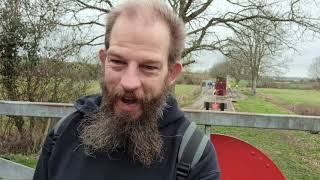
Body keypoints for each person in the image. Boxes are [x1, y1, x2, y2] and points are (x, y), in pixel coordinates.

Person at [33, 0, 220, 179]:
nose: (129, 82)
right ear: (104, 61)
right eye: (117, 62)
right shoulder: (63, 133)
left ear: (171, 74)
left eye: (148, 67)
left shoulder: (193, 155)